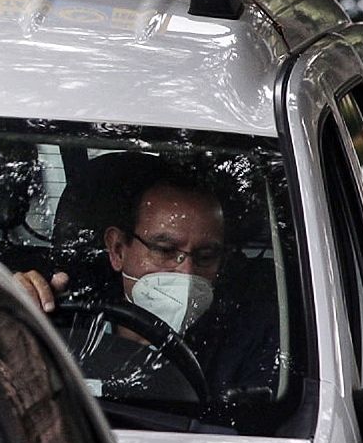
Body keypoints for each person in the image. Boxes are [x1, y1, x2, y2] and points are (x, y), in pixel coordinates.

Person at [15, 160, 277, 404]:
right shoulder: (62, 318)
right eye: (164, 250)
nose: (186, 272)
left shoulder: (243, 344)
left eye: (205, 256)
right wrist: (8, 310)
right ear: (118, 250)